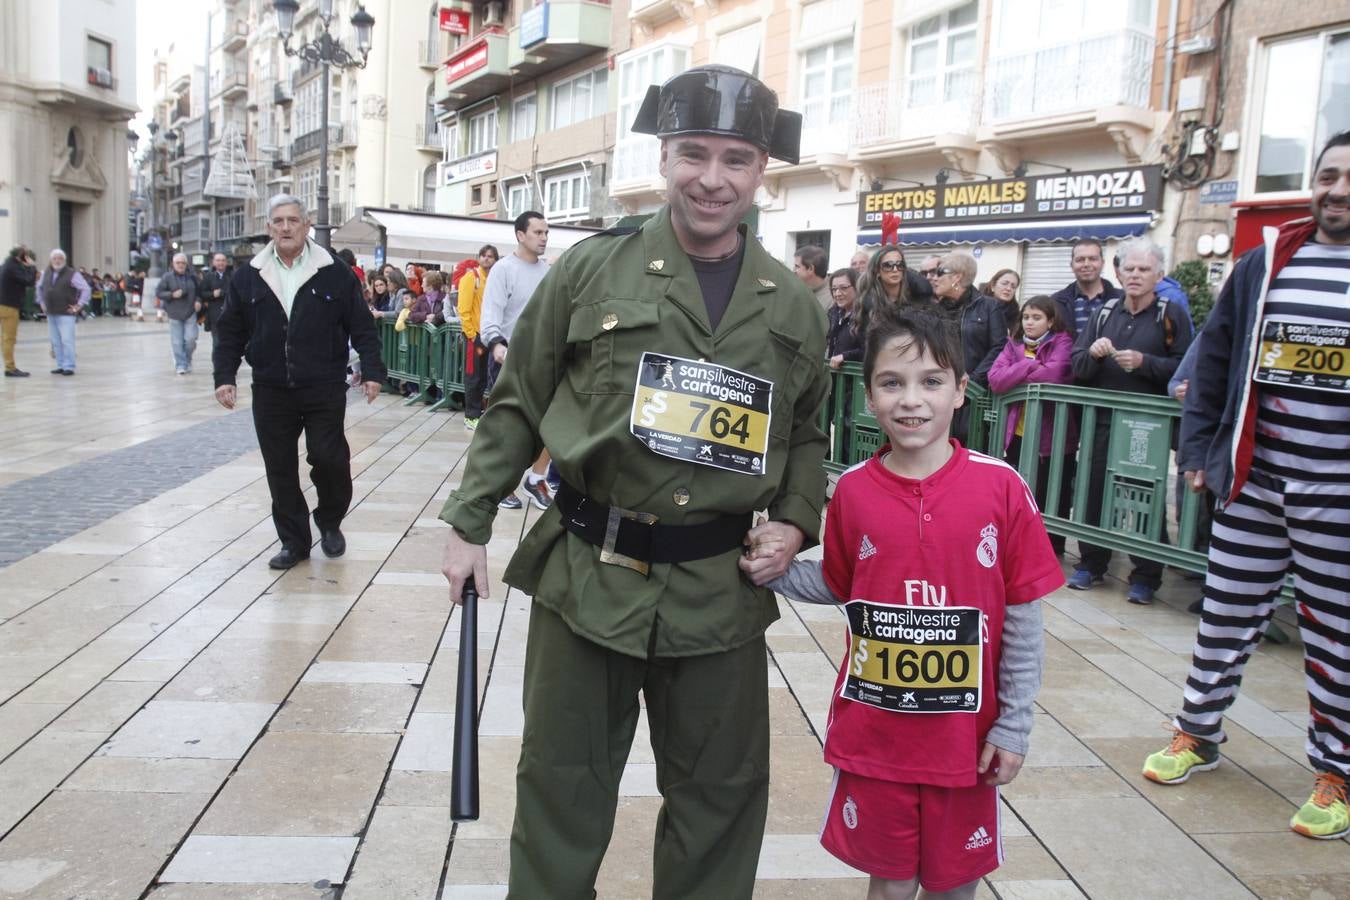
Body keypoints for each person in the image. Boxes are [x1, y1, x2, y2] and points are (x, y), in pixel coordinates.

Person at [439, 64, 828, 899]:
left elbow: (804, 434)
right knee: (561, 789)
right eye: (694, 154)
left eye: (736, 159)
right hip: (590, 576)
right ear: (663, 157)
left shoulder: (793, 305)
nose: (713, 179)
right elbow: (518, 402)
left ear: (763, 169)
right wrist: (469, 524)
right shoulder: (589, 272)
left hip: (718, 595)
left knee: (720, 803)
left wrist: (796, 520)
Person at [752, 308, 1062, 900]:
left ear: (961, 390)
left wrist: (1015, 724)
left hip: (964, 745)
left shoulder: (1001, 489)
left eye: (931, 381)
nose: (911, 400)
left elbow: (1023, 619)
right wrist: (775, 571)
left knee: (953, 885)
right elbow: (843, 585)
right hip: (877, 739)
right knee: (890, 883)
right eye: (892, 383)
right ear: (869, 395)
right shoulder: (852, 492)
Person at [1141, 132, 1350, 840]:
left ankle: (1337, 773)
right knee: (1223, 620)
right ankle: (1196, 735)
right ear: (1312, 184)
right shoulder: (1266, 264)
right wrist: (1200, 449)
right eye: (1328, 175)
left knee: (1337, 639)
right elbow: (1215, 357)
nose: (1338, 188)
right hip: (1254, 486)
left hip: (1339, 499)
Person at [213, 193, 387, 570]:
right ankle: (294, 542)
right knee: (279, 468)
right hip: (272, 388)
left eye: (294, 220)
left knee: (330, 458)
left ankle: (329, 520)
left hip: (323, 385)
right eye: (279, 221)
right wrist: (224, 376)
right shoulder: (249, 276)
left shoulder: (334, 272)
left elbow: (361, 326)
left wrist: (373, 371)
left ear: (307, 226)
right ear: (269, 228)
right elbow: (229, 330)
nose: (286, 227)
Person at [1068, 237, 1192, 604]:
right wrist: (1091, 352)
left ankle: (1146, 576)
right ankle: (1091, 564)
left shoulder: (1171, 314)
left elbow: (1186, 368)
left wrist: (1145, 363)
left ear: (1159, 274)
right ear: (1118, 273)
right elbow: (1078, 365)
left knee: (1143, 502)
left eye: (1144, 269)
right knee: (1092, 494)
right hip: (1101, 423)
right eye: (1129, 269)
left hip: (1146, 427)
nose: (1135, 275)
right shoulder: (1104, 313)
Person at [987, 294, 1075, 555]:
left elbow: (1054, 374)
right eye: (1026, 317)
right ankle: (1019, 543)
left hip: (1052, 434)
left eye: (1036, 317)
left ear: (1050, 321)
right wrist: (1030, 365)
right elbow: (995, 379)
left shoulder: (1063, 341)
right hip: (1018, 431)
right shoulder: (1013, 344)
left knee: (1051, 490)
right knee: (1019, 489)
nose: (1029, 322)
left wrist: (1017, 371)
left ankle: (1051, 546)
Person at [480, 210, 554, 511]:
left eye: (546, 233)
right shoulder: (503, 269)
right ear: (520, 235)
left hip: (543, 359)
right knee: (508, 428)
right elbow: (490, 314)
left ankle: (536, 479)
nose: (544, 238)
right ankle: (503, 484)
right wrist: (496, 344)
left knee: (551, 422)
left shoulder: (548, 272)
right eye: (538, 232)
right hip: (507, 357)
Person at [930, 250, 1005, 388]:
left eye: (940, 272)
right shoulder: (935, 309)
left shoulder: (989, 306)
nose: (934, 278)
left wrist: (973, 380)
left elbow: (999, 347)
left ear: (957, 277)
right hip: (941, 388)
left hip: (976, 394)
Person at [456, 244, 498, 431]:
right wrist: (472, 335)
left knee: (486, 376)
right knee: (474, 376)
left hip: (491, 334)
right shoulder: (471, 277)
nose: (487, 258)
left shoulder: (496, 278)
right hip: (476, 336)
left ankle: (478, 412)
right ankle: (471, 416)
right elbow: (463, 309)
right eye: (484, 255)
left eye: (491, 256)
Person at [1050, 238, 1121, 338]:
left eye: (1093, 259)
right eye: (1080, 260)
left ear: (1102, 263)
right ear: (1071, 265)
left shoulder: (1123, 300)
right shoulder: (1055, 302)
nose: (1086, 264)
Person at [36, 249, 88, 375]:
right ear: (51, 260)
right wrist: (41, 302)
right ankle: (60, 364)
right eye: (54, 258)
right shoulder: (46, 273)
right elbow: (39, 287)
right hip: (51, 311)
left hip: (66, 313)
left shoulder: (72, 273)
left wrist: (78, 305)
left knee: (67, 340)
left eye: (60, 258)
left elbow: (86, 289)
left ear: (64, 260)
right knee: (55, 341)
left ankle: (69, 366)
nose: (57, 261)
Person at [156, 252, 202, 375]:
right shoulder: (167, 277)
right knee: (177, 341)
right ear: (173, 264)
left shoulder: (192, 277)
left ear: (186, 264)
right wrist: (171, 294)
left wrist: (198, 301)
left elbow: (199, 292)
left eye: (183, 263)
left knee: (191, 339)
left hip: (190, 312)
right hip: (174, 313)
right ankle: (181, 364)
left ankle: (187, 359)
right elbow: (159, 292)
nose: (181, 265)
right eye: (178, 263)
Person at [1, 245, 37, 377]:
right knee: (9, 338)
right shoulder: (13, 267)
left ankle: (9, 365)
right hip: (9, 306)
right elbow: (29, 281)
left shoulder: (5, 265)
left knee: (4, 339)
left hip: (3, 304)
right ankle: (10, 368)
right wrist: (32, 266)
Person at [826, 267, 863, 369]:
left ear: (857, 287)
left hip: (856, 381)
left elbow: (872, 350)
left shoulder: (868, 314)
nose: (837, 293)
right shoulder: (833, 313)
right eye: (834, 289)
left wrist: (844, 356)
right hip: (835, 378)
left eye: (844, 288)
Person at [983, 267, 1021, 335]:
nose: (1009, 288)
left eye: (1013, 286)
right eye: (1004, 283)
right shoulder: (976, 308)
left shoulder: (1016, 316)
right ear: (993, 286)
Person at [200, 252, 232, 334]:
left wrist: (224, 293)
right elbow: (202, 293)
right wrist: (212, 294)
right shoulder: (208, 277)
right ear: (213, 262)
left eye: (223, 260)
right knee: (217, 343)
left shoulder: (233, 275)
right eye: (218, 260)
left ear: (226, 262)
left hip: (230, 313)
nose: (220, 263)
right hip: (214, 314)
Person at [793, 244, 831, 311]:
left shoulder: (833, 299)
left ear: (810, 268)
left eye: (797, 266)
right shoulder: (797, 290)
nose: (793, 270)